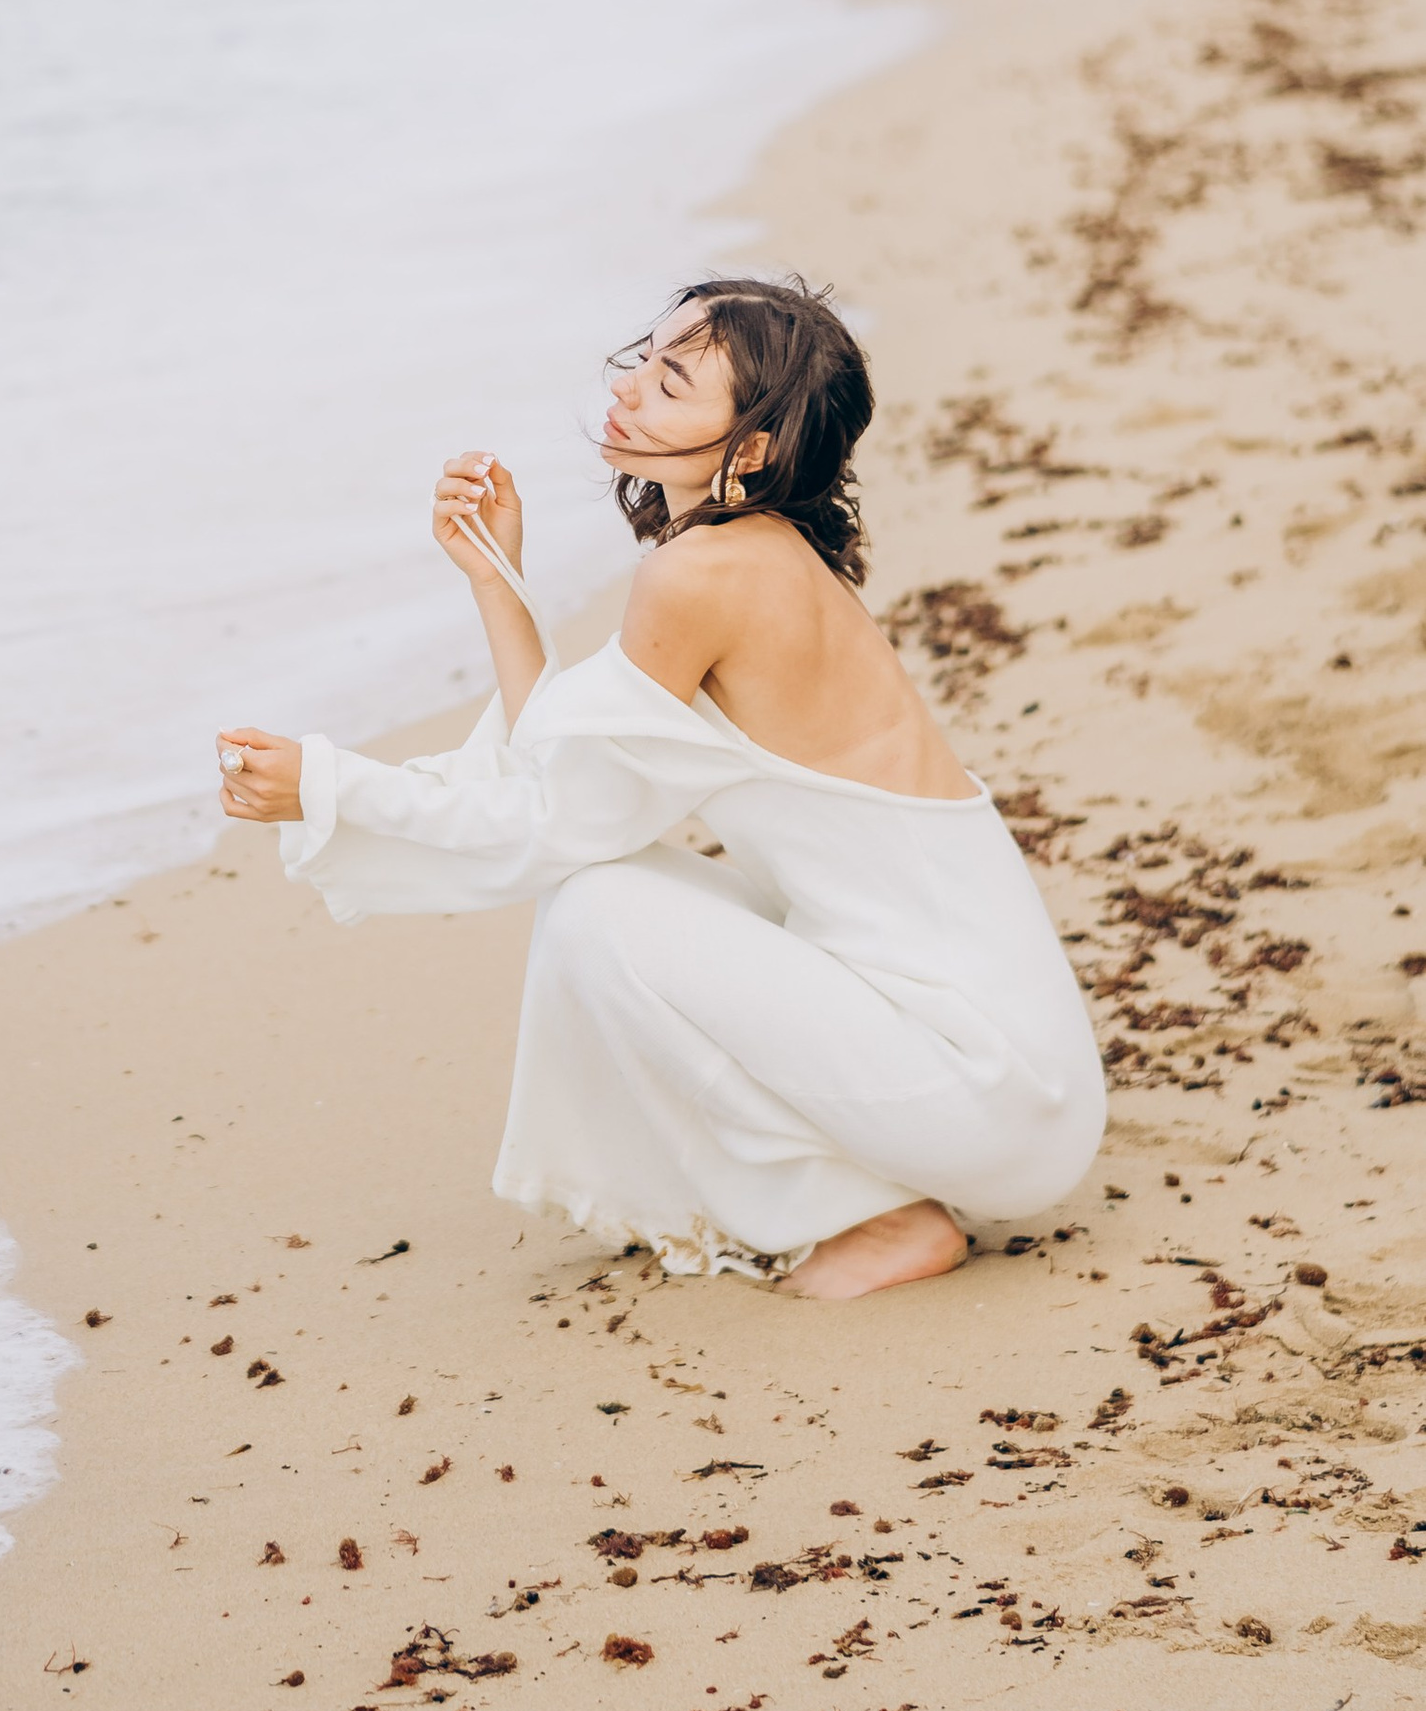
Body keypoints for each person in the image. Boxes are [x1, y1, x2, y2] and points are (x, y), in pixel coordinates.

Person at [213, 278, 1104, 1300]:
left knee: (600, 909)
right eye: (644, 357)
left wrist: (328, 789)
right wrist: (497, 578)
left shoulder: (705, 576)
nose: (629, 388)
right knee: (604, 891)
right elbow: (567, 774)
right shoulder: (746, 554)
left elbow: (554, 821)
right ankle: (860, 1196)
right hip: (1003, 1075)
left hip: (992, 1088)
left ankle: (877, 1218)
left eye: (672, 383)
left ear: (752, 449)